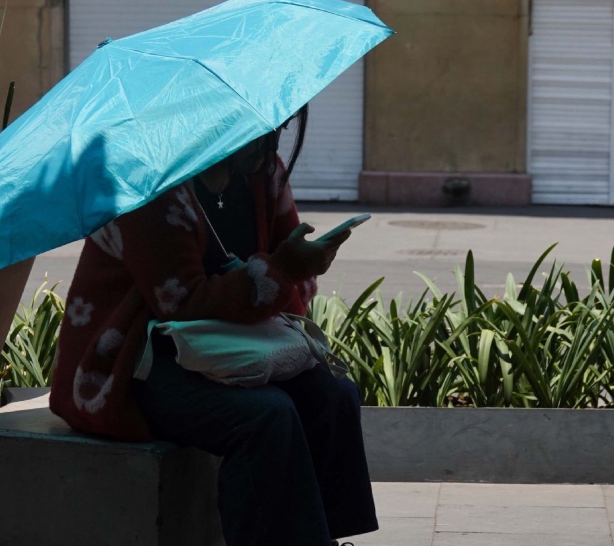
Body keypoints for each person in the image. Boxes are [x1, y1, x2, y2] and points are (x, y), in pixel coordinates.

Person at [49, 105, 378, 546]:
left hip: (230, 342)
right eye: (257, 128)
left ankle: (325, 537)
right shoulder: (152, 187)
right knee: (266, 416)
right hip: (142, 362)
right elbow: (183, 303)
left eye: (276, 125)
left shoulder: (263, 172)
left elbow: (288, 264)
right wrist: (282, 270)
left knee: (336, 396)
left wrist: (303, 263)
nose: (271, 138)